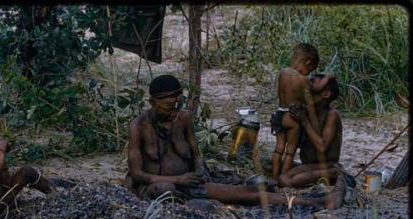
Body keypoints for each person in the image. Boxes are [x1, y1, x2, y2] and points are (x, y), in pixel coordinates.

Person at [125, 74, 321, 207]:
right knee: (165, 188)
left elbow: (196, 155)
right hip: (158, 187)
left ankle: (313, 203)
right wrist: (176, 179)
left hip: (188, 185)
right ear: (152, 103)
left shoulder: (183, 119)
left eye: (177, 105)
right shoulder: (138, 127)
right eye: (167, 107)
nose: (173, 111)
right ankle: (190, 204)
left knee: (247, 193)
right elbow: (136, 174)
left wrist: (200, 171)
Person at [278, 74, 348, 209]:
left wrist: (304, 121)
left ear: (326, 94)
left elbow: (322, 147)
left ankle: (333, 173)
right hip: (309, 164)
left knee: (285, 180)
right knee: (272, 167)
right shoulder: (306, 111)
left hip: (326, 164)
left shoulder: (332, 115)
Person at [271, 43, 335, 179]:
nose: (309, 74)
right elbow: (316, 89)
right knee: (290, 151)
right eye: (311, 69)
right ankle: (283, 177)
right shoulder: (302, 80)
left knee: (278, 149)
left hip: (279, 114)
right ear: (307, 62)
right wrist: (328, 77)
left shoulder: (282, 73)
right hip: (291, 117)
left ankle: (274, 175)